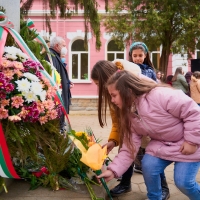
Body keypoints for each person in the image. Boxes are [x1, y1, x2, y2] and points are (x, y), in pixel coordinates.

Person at [98, 70, 200, 200]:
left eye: (114, 95)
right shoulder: (129, 114)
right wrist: (112, 171)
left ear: (127, 91)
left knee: (184, 183)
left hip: (188, 142)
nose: (112, 100)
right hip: (162, 144)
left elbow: (194, 113)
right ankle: (154, 197)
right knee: (148, 165)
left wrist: (192, 142)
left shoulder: (160, 95)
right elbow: (129, 146)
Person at [91, 60, 169, 200]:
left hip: (146, 126)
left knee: (149, 155)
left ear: (105, 79)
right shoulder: (112, 91)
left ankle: (163, 188)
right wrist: (113, 141)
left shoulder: (130, 81)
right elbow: (117, 122)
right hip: (130, 128)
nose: (98, 89)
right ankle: (126, 183)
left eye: (98, 84)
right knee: (126, 152)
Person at [128, 42, 169, 200]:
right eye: (135, 55)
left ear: (145, 56)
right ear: (131, 56)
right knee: (137, 151)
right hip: (134, 116)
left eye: (140, 55)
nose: (137, 58)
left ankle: (163, 188)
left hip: (148, 117)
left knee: (153, 152)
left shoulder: (149, 72)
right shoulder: (127, 70)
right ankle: (131, 181)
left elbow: (152, 90)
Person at [45, 36, 73, 132]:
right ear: (57, 45)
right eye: (64, 46)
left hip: (60, 98)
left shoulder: (55, 56)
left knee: (61, 125)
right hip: (56, 99)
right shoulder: (50, 57)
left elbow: (59, 75)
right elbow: (52, 77)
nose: (65, 48)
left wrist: (67, 82)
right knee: (58, 127)